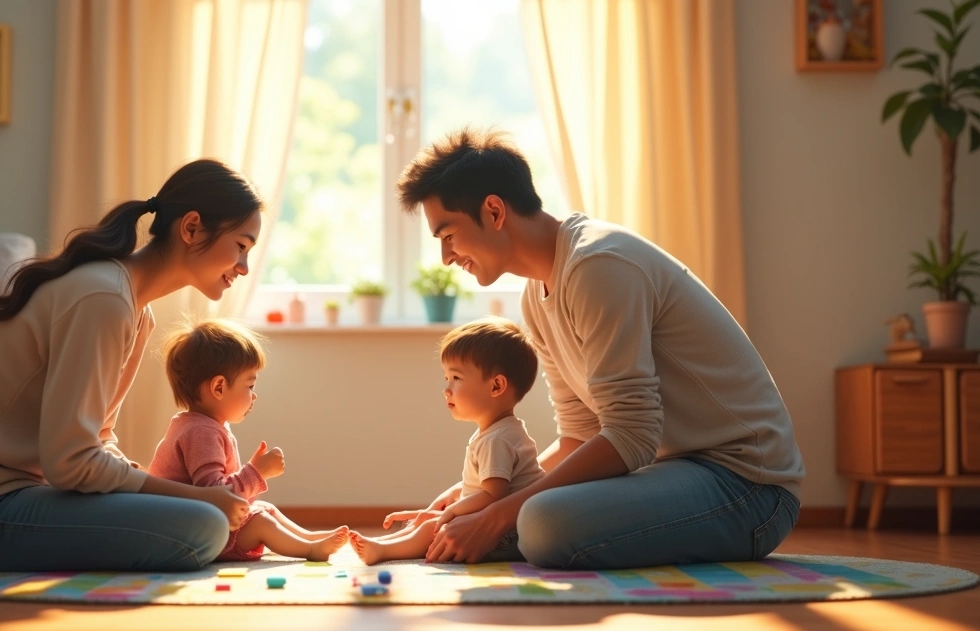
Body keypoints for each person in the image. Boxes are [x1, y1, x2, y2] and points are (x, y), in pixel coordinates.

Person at [396, 128, 805, 568]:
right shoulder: (537, 296)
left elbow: (633, 433)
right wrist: (479, 497)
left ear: (494, 211)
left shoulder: (599, 265)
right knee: (529, 513)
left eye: (448, 234)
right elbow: (580, 432)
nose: (446, 256)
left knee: (541, 523)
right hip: (672, 474)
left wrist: (498, 516)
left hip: (747, 486)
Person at [0, 159, 262, 572]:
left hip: (14, 495)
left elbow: (98, 437)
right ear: (192, 227)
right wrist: (194, 496)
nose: (243, 268)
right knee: (205, 526)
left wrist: (154, 488)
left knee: (205, 518)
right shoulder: (103, 298)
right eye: (241, 246)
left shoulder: (135, 311)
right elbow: (71, 461)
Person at [149, 318, 349, 562]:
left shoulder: (197, 425)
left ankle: (308, 537)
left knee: (266, 510)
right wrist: (257, 472)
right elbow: (214, 494)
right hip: (193, 535)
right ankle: (309, 550)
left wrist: (250, 473)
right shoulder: (201, 432)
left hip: (196, 524)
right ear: (219, 387)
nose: (254, 396)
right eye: (250, 385)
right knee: (261, 521)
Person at [349, 318, 544, 565]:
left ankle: (384, 550)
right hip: (512, 524)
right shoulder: (503, 431)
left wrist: (452, 512)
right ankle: (389, 543)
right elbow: (488, 484)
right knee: (426, 522)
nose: (446, 389)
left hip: (507, 534)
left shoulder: (497, 440)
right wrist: (452, 496)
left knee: (432, 526)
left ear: (496, 386)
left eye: (456, 378)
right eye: (446, 377)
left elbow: (493, 494)